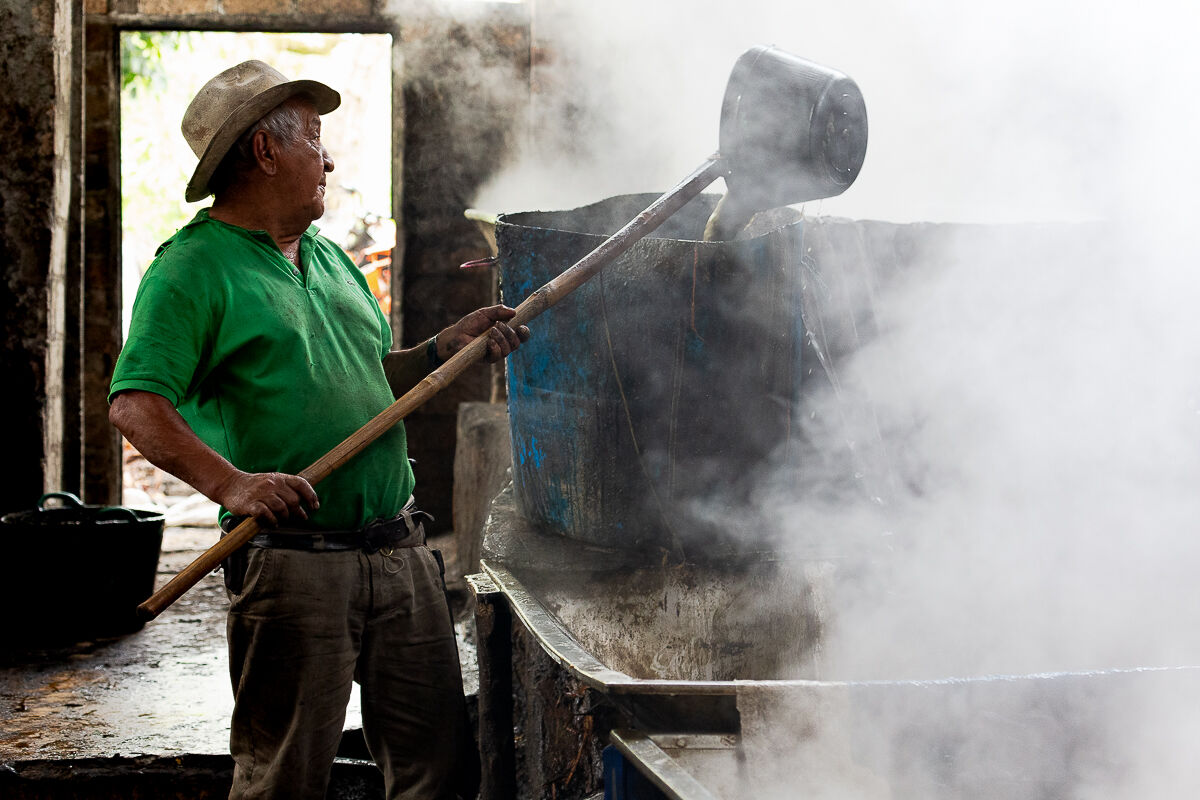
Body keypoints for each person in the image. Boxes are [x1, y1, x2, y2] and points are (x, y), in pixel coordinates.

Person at [108, 60, 527, 800]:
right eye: (314, 137)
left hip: (399, 551)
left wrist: (441, 348)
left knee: (440, 768)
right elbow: (136, 404)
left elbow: (370, 381)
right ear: (265, 153)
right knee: (285, 778)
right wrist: (233, 484)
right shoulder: (192, 270)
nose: (328, 157)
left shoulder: (330, 258)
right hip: (295, 568)